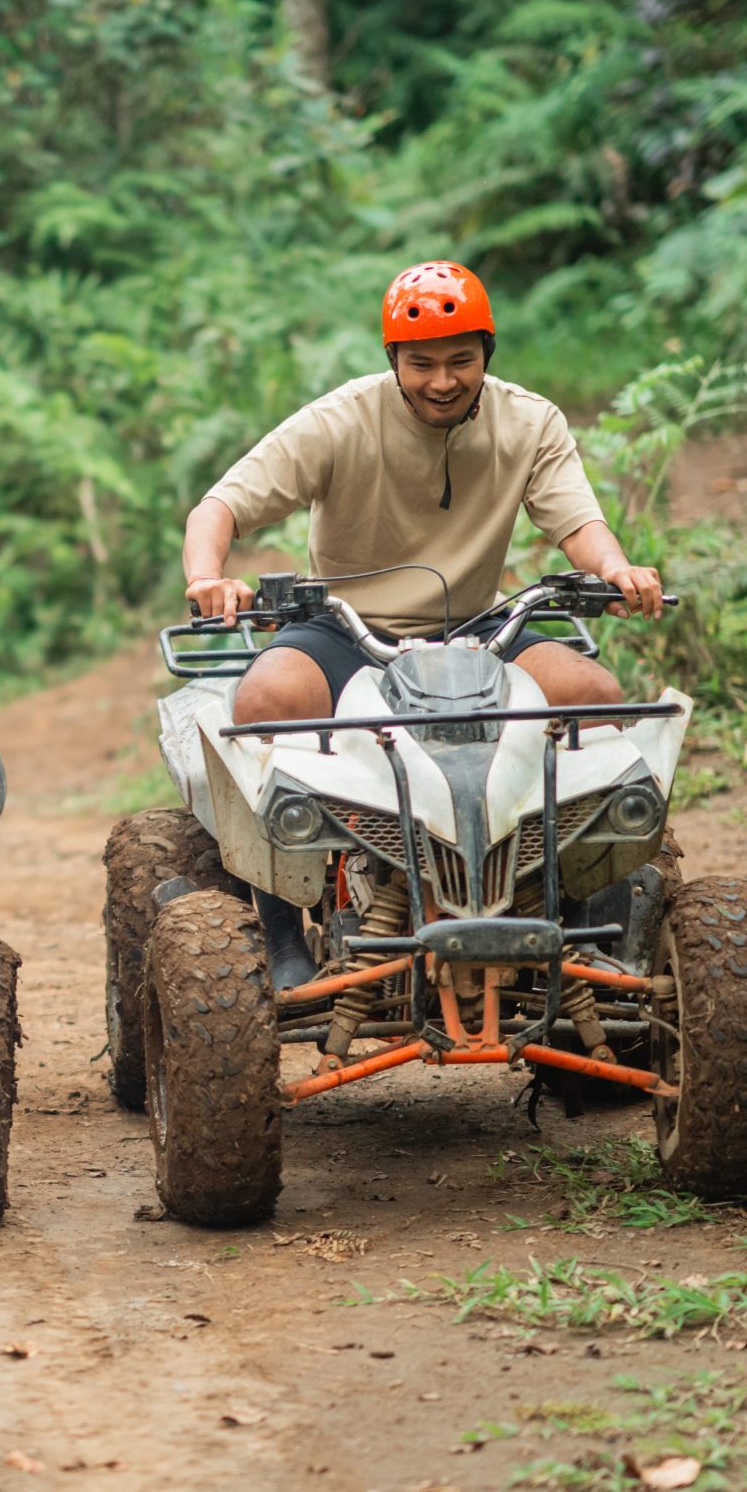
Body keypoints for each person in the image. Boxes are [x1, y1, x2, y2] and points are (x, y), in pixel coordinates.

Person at [179, 261, 666, 981]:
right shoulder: (341, 419)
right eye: (422, 363)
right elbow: (219, 506)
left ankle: (588, 916)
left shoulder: (529, 422)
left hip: (480, 628)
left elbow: (578, 521)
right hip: (348, 630)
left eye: (461, 360)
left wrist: (616, 568)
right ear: (394, 361)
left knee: (593, 693)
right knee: (262, 703)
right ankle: (282, 932)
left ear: (487, 355)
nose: (443, 380)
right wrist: (206, 575)